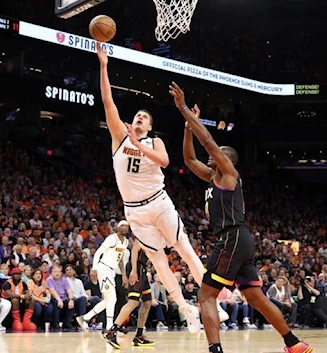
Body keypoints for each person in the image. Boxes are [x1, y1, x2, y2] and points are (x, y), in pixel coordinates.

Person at [171, 82, 312, 353]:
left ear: (227, 159)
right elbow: (189, 159)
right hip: (241, 239)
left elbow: (209, 143)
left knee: (206, 295)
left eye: (220, 152)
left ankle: (215, 350)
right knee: (256, 297)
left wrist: (184, 109)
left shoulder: (228, 174)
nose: (213, 154)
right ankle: (293, 343)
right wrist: (189, 126)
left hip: (232, 237)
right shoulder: (212, 177)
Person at [96, 42, 201, 334]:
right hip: (134, 212)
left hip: (158, 201)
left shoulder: (154, 142)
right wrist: (104, 66)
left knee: (185, 249)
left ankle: (209, 301)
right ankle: (185, 308)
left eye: (145, 117)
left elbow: (165, 162)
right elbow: (108, 102)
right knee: (158, 262)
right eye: (137, 116)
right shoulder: (119, 138)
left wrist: (140, 143)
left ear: (150, 126)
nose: (139, 117)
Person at [76, 220, 129, 333]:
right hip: (104, 268)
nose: (125, 227)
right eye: (122, 225)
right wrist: (94, 268)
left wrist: (124, 274)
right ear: (118, 228)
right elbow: (99, 252)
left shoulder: (125, 242)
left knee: (108, 300)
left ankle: (84, 318)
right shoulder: (112, 238)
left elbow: (119, 260)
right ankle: (109, 327)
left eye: (126, 226)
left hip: (112, 271)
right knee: (112, 298)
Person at [105, 239, 154, 349]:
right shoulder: (143, 232)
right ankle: (112, 332)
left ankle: (139, 335)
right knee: (133, 302)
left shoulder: (155, 237)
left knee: (147, 301)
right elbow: (135, 250)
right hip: (136, 268)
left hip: (143, 270)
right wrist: (134, 270)